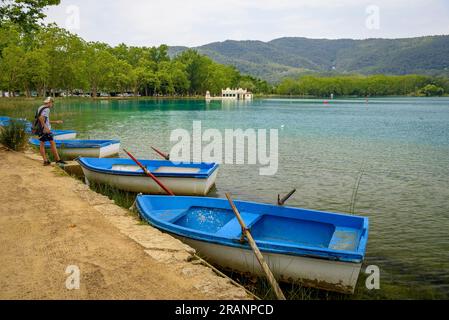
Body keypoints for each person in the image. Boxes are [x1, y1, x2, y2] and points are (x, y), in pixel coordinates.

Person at [37, 97, 67, 166]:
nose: (52, 104)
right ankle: (58, 160)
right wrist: (45, 127)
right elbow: (41, 118)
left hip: (41, 129)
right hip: (45, 130)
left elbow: (44, 119)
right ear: (49, 102)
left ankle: (45, 161)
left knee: (42, 144)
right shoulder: (47, 109)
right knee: (52, 143)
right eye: (52, 103)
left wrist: (55, 122)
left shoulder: (41, 107)